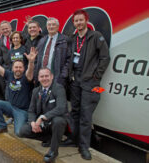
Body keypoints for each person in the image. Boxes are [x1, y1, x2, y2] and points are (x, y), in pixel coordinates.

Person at [62, 9, 110, 160]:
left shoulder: (95, 36)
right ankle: (73, 139)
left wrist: (96, 76)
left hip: (90, 82)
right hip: (75, 81)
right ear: (73, 23)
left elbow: (105, 58)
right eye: (76, 21)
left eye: (81, 20)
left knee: (86, 116)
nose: (78, 23)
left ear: (86, 20)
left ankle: (84, 146)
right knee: (74, 111)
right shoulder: (72, 38)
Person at [0, 46, 37, 136]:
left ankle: (23, 120)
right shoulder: (9, 75)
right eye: (16, 67)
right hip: (11, 106)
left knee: (19, 133)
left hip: (22, 110)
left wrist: (31, 61)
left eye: (20, 67)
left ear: (23, 69)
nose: (18, 69)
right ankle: (2, 127)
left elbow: (30, 71)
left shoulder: (26, 78)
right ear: (12, 68)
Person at [19, 68, 68, 163]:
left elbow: (61, 108)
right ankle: (51, 138)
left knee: (59, 121)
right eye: (42, 76)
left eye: (47, 76)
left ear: (52, 77)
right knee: (22, 131)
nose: (44, 78)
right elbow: (31, 110)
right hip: (42, 125)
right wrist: (33, 123)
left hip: (54, 122)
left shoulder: (58, 88)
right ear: (38, 78)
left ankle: (53, 152)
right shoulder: (36, 91)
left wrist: (42, 117)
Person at [34, 17, 70, 87]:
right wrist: (36, 75)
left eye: (53, 24)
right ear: (47, 27)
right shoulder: (42, 40)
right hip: (43, 77)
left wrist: (63, 75)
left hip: (58, 77)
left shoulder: (65, 40)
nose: (51, 27)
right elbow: (36, 59)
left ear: (58, 26)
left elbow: (69, 59)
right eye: (49, 25)